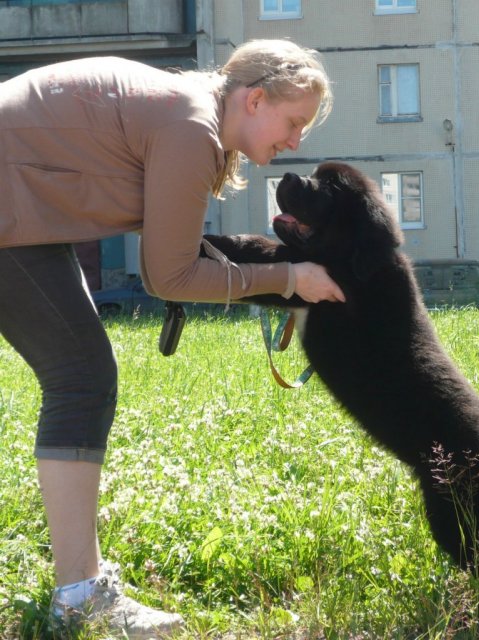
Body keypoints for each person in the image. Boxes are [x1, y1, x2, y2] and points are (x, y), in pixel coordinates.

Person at [0, 39, 344, 637]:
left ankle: (80, 588)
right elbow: (171, 276)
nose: (295, 142)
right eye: (294, 122)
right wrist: (291, 279)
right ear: (256, 99)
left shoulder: (191, 114)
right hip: (12, 208)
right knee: (81, 375)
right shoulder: (190, 127)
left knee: (82, 372)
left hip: (25, 214)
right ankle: (80, 595)